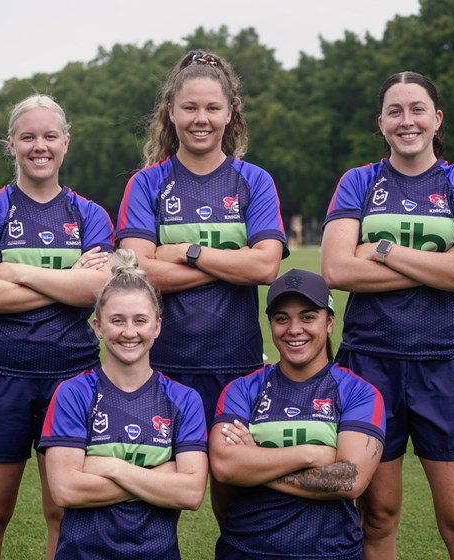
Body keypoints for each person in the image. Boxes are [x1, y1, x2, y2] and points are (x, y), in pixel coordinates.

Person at [321, 71, 454, 560]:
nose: (407, 121)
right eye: (395, 112)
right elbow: (336, 268)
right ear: (381, 123)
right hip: (369, 368)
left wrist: (382, 249)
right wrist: (442, 265)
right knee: (376, 517)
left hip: (446, 366)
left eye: (417, 109)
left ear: (436, 119)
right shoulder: (358, 182)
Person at [115, 50, 288, 521]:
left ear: (230, 112)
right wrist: (234, 261)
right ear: (171, 112)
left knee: (238, 509)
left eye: (212, 108)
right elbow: (135, 273)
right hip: (159, 370)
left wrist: (189, 252)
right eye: (189, 107)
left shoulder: (255, 181)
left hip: (237, 369)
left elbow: (267, 267)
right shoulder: (147, 185)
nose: (201, 119)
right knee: (148, 504)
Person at [0, 94, 115, 560]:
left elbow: (100, 291)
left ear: (66, 142)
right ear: (12, 144)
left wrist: (18, 272)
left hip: (73, 381)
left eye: (49, 136)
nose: (38, 146)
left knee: (65, 513)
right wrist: (70, 281)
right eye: (28, 137)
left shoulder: (90, 215)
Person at [38, 249, 209, 560]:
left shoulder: (185, 400)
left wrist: (109, 466)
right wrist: (159, 475)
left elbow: (191, 493)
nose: (129, 332)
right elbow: (66, 490)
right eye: (117, 320)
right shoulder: (73, 394)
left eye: (140, 320)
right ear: (98, 326)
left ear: (157, 326)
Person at [209, 269, 386, 560]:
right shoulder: (242, 390)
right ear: (270, 325)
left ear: (329, 323)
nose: (294, 329)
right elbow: (225, 467)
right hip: (245, 549)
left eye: (307, 317)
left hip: (331, 552)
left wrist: (255, 466)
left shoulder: (360, 392)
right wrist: (310, 454)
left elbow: (349, 479)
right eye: (282, 318)